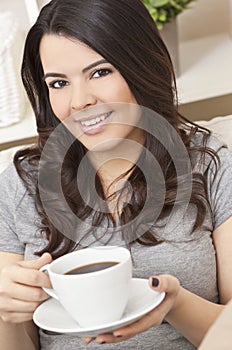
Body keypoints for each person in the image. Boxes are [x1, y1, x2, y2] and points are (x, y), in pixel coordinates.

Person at [0, 0, 232, 349]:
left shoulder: (208, 163)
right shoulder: (23, 182)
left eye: (99, 72)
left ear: (140, 66)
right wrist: (6, 313)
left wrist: (175, 305)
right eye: (59, 83)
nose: (79, 101)